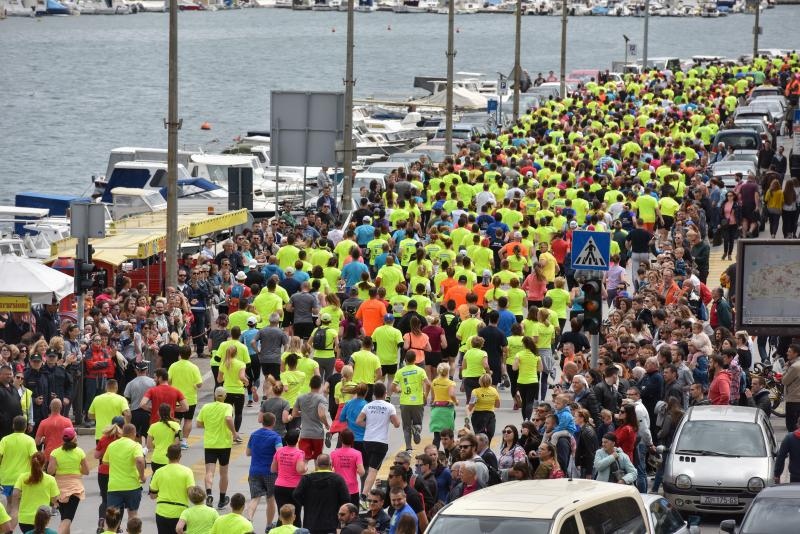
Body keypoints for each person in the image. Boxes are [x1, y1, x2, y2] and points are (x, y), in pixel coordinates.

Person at [356, 382, 400, 505]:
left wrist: (369, 426)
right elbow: (396, 424)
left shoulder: (368, 406)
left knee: (371, 468)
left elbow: (358, 421)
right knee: (373, 470)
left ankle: (367, 491)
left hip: (367, 441)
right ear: (385, 393)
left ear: (374, 394)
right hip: (380, 442)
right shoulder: (389, 406)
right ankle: (364, 497)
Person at [197, 387, 238, 510]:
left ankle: (209, 494)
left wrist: (208, 426)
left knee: (209, 471)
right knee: (223, 472)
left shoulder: (206, 407)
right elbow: (228, 418)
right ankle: (221, 500)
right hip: (224, 444)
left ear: (214, 395)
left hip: (210, 444)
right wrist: (234, 433)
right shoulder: (227, 407)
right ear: (225, 396)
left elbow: (199, 424)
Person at [46, 427, 89, 534]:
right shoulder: (80, 452)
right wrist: (77, 468)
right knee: (68, 518)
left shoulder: (55, 453)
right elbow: (86, 471)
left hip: (59, 489)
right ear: (74, 438)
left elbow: (50, 471)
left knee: (65, 517)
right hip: (75, 488)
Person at [293, 453, 349, 533]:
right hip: (331, 521)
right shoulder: (337, 479)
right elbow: (346, 498)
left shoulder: (307, 479)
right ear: (330, 464)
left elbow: (296, 494)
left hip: (311, 521)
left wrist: (305, 503)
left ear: (316, 464)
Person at [246, 411, 283, 527]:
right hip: (270, 472)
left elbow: (248, 453)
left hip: (254, 471)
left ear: (262, 421)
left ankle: (249, 520)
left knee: (255, 498)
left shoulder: (254, 435)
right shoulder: (276, 437)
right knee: (270, 498)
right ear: (274, 422)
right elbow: (280, 453)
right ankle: (268, 525)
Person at [148, 444, 195, 534]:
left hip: (161, 512)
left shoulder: (159, 472)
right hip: (180, 513)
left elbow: (152, 495)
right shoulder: (187, 471)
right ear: (180, 456)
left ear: (167, 456)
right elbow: (191, 494)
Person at [103, 423, 145, 522]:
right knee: (133, 515)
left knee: (112, 518)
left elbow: (105, 462)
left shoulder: (112, 445)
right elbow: (139, 460)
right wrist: (142, 476)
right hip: (132, 486)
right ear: (134, 433)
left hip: (114, 487)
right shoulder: (135, 445)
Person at [9, 452, 59, 533]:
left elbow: (15, 494)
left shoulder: (22, 477)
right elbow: (54, 499)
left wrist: (17, 504)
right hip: (42, 517)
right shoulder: (50, 479)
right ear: (44, 464)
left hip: (25, 519)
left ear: (30, 463)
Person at [393, 350, 430, 452]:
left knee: (406, 426)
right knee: (418, 422)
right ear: (415, 359)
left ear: (405, 360)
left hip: (405, 402)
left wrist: (398, 390)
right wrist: (425, 396)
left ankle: (408, 447)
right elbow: (428, 384)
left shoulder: (400, 372)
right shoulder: (420, 371)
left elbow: (393, 387)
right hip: (418, 401)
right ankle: (417, 429)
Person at [168, 345, 203, 449]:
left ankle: (176, 439)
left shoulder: (173, 366)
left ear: (179, 354)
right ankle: (184, 441)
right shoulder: (194, 367)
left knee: (176, 420)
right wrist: (194, 386)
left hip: (176, 397)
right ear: (190, 354)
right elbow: (200, 384)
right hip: (190, 398)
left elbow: (169, 381)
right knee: (188, 420)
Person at [94, 417, 124, 534]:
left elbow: (96, 455)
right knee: (119, 501)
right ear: (123, 426)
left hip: (103, 472)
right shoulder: (123, 439)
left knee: (105, 500)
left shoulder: (104, 438)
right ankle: (117, 526)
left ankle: (102, 521)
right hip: (118, 472)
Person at [271, 429, 306, 528]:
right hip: (295, 487)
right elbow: (300, 470)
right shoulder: (299, 453)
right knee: (296, 515)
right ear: (297, 440)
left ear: (286, 440)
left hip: (280, 486)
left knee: (282, 515)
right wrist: (305, 467)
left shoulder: (279, 451)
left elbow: (273, 469)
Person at [292, 374, 329, 465]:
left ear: (310, 385)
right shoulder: (321, 399)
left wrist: (304, 413)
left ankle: (302, 478)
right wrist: (326, 424)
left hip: (305, 433)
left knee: (304, 460)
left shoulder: (300, 398)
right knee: (318, 459)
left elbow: (294, 413)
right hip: (317, 434)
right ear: (320, 386)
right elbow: (321, 414)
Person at [0, 415, 36, 498]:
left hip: (6, 477)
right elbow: (34, 458)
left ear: (13, 426)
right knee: (19, 505)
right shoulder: (30, 440)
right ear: (25, 427)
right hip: (23, 479)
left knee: (6, 504)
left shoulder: (5, 440)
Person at [218, 345, 249, 435]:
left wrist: (227, 378)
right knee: (238, 413)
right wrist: (246, 382)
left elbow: (219, 379)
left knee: (228, 413)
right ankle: (236, 433)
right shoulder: (241, 364)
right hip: (238, 391)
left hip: (226, 391)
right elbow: (241, 377)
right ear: (236, 353)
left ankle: (228, 432)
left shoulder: (223, 363)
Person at [330, 428, 365, 506]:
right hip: (352, 488)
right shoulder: (357, 453)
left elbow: (328, 470)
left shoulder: (334, 453)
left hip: (338, 487)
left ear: (340, 439)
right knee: (353, 514)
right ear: (353, 440)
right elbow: (362, 472)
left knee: (339, 513)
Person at [146, 403, 182, 473]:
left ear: (158, 413)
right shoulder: (176, 425)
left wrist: (156, 444)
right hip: (171, 458)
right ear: (170, 412)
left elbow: (149, 446)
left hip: (157, 459)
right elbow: (178, 442)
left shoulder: (153, 426)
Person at [783, 343, 800, 432]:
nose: (787, 353)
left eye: (789, 351)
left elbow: (784, 381)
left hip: (793, 399)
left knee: (791, 426)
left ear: (796, 353)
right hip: (797, 398)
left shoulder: (794, 366)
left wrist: (786, 367)